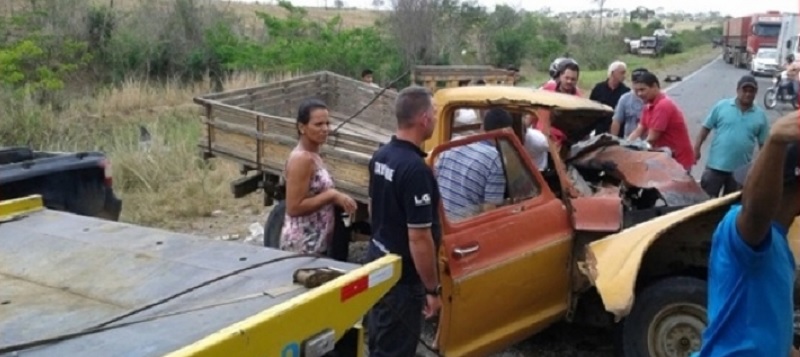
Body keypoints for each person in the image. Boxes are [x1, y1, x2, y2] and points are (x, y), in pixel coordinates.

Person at [692, 111, 800, 357]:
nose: (745, 184)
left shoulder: (779, 244)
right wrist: (775, 142)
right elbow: (756, 210)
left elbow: (773, 331)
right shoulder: (741, 228)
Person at [366, 86, 442, 357]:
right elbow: (419, 238)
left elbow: (374, 208)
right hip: (401, 279)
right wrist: (432, 289)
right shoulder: (415, 170)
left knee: (378, 337)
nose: (435, 117)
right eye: (433, 112)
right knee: (394, 348)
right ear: (423, 119)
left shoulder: (381, 156)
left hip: (377, 261)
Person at [280, 99, 357, 254]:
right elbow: (293, 207)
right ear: (302, 127)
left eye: (327, 123)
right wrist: (331, 195)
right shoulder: (302, 159)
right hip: (302, 246)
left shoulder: (314, 154)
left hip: (315, 243)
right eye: (318, 124)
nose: (325, 129)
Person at [693, 75, 770, 197]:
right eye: (745, 90)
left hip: (740, 172)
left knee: (732, 206)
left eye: (751, 91)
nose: (748, 94)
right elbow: (705, 128)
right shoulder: (722, 106)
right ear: (738, 90)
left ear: (756, 93)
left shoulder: (760, 116)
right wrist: (696, 149)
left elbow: (764, 145)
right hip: (715, 167)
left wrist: (762, 167)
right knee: (706, 203)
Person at [434, 108, 512, 221]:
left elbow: (436, 177)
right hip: (465, 227)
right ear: (507, 132)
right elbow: (490, 212)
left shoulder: (456, 141)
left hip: (441, 222)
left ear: (482, 127)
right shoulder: (495, 159)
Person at [627, 71, 695, 172]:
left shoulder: (663, 105)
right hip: (665, 157)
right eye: (636, 91)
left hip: (678, 160)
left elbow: (651, 139)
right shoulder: (648, 106)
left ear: (654, 86)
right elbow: (639, 130)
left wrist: (631, 154)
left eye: (642, 89)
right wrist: (625, 145)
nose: (639, 94)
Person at [589, 61, 630, 134]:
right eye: (622, 73)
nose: (624, 76)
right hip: (600, 129)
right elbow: (590, 108)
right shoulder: (598, 88)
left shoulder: (626, 92)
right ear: (613, 73)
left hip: (619, 131)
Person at [610, 67, 648, 139]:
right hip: (629, 140)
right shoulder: (625, 99)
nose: (638, 86)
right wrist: (613, 140)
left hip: (648, 141)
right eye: (636, 83)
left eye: (642, 83)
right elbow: (617, 121)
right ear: (632, 83)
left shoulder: (653, 99)